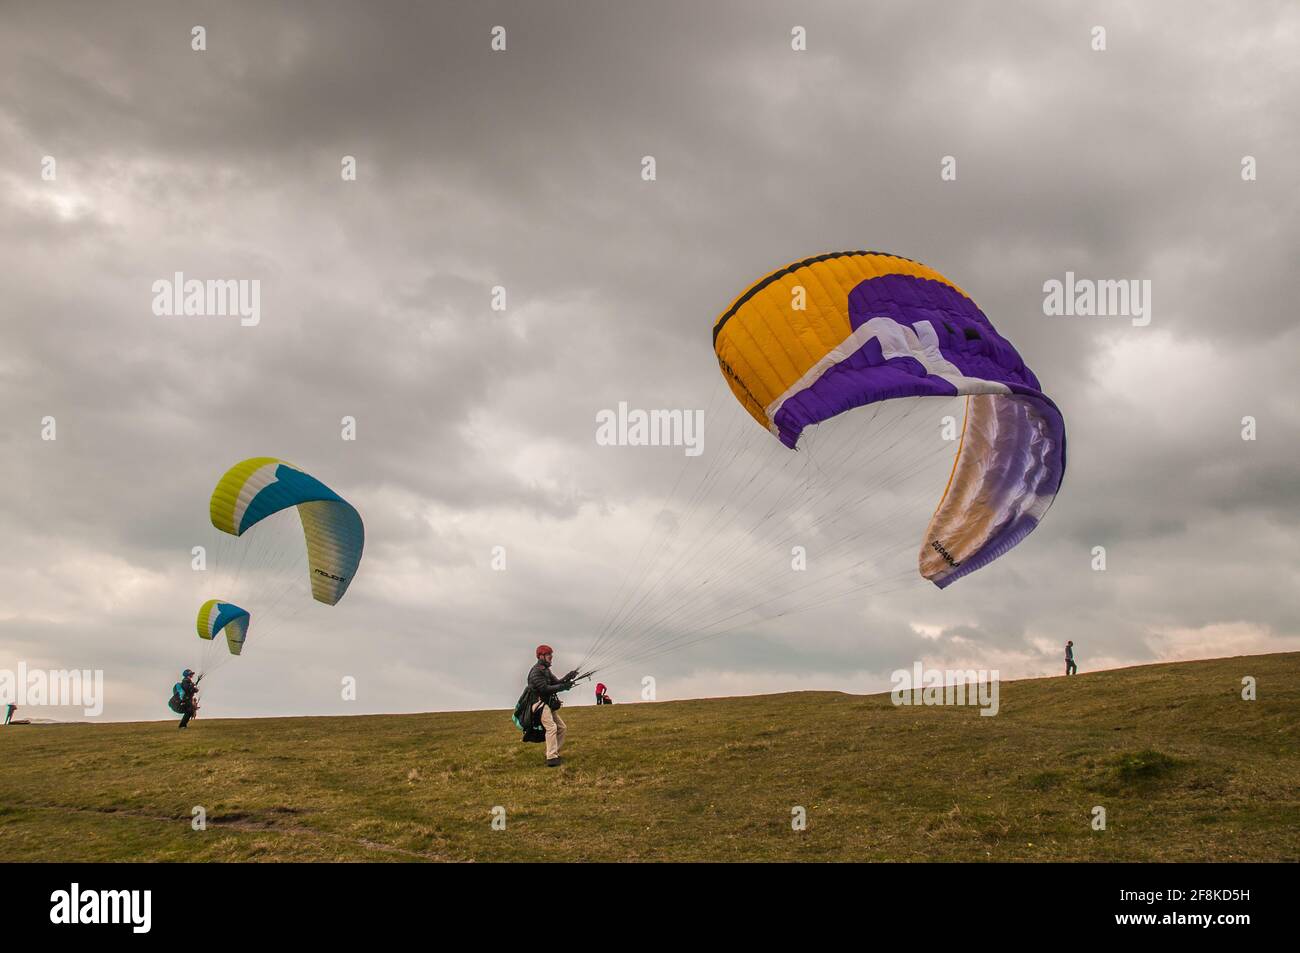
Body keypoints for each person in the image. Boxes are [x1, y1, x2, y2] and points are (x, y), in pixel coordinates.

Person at [528, 645, 576, 767]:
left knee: (562, 728)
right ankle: (551, 758)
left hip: (547, 704)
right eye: (549, 654)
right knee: (551, 728)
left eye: (551, 654)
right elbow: (544, 689)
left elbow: (556, 683)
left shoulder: (545, 670)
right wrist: (562, 687)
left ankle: (554, 752)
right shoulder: (536, 671)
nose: (551, 657)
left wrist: (568, 677)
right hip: (538, 703)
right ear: (541, 656)